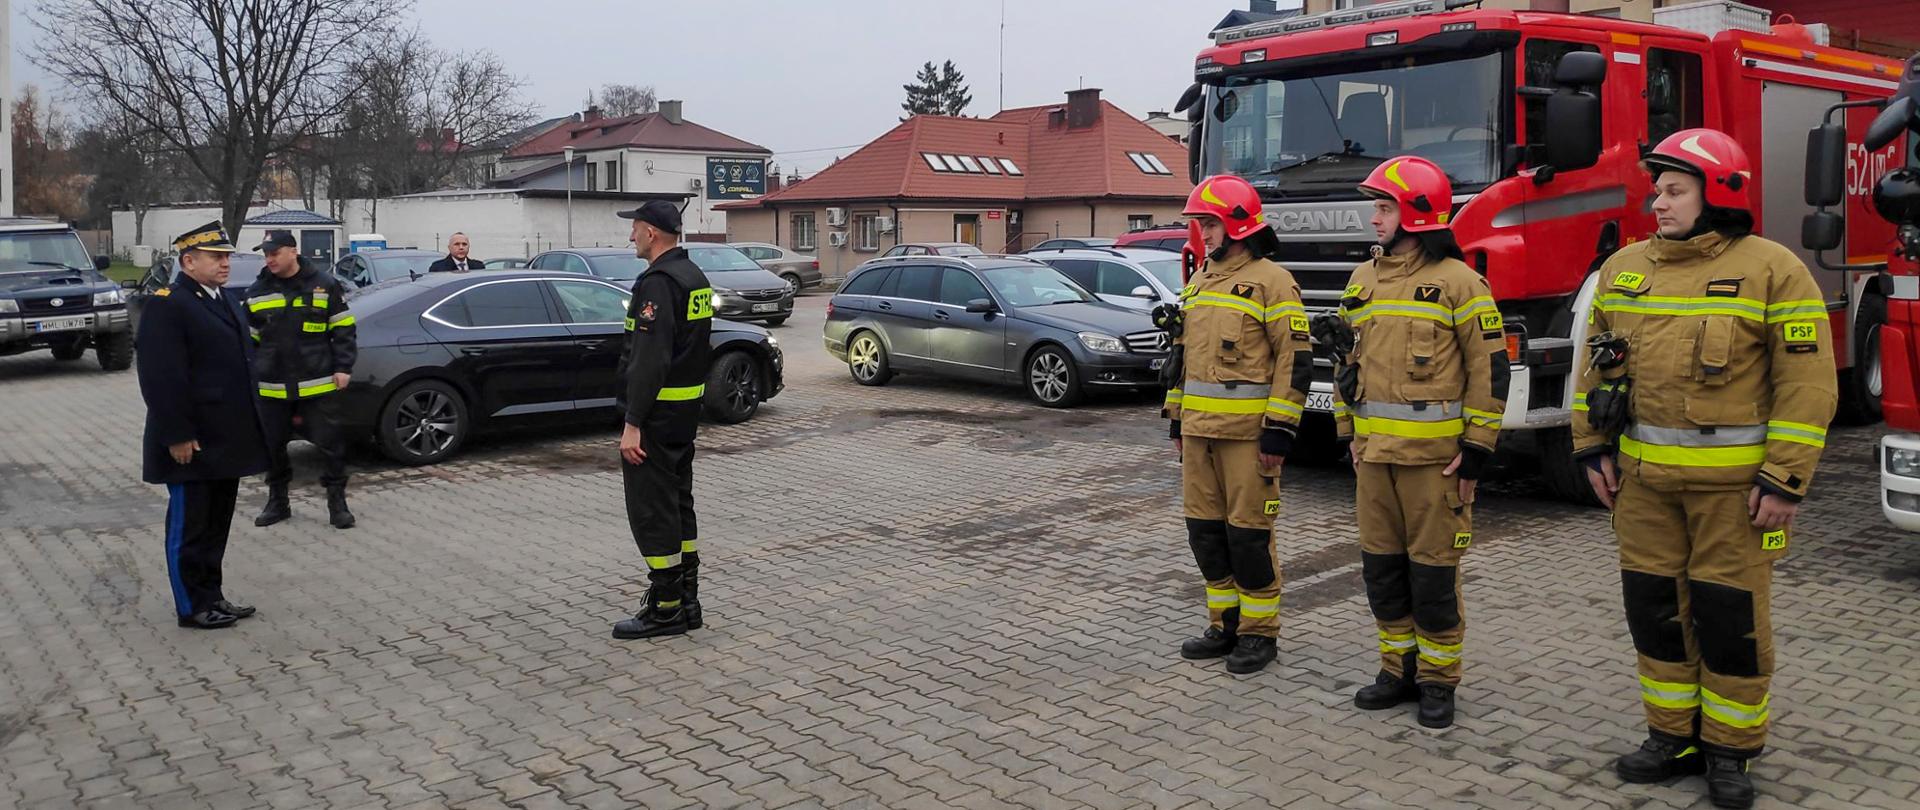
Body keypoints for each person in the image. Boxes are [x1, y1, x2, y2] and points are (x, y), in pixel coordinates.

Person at [1573, 129, 1836, 810]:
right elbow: (1593, 370)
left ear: (1716, 192)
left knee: (1730, 620)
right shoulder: (1626, 268)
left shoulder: (1775, 270)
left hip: (1735, 497)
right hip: (1642, 490)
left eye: (1673, 189)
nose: (1656, 201)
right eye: (1656, 188)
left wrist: (1785, 479)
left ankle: (1731, 751)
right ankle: (1671, 737)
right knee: (1656, 613)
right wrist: (1591, 448)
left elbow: (1807, 387)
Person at [1330, 156, 1507, 729]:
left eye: (1384, 208)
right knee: (1382, 572)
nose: (1374, 218)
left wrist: (1478, 446)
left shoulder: (1461, 282)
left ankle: (1438, 682)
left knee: (1432, 577)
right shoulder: (1363, 279)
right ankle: (1395, 671)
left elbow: (1491, 369)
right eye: (1376, 207)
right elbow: (1345, 362)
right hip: (1375, 459)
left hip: (1436, 464)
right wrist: (1347, 430)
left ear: (1415, 213)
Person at [1160, 175, 1311, 675]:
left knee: (1249, 538)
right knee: (1205, 534)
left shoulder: (1274, 280)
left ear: (1238, 225)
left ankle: (1259, 634)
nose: (1201, 234)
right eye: (1198, 225)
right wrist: (1177, 422)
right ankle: (1223, 624)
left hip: (1248, 439)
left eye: (1208, 224)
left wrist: (1279, 430)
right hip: (1200, 435)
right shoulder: (1201, 278)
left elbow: (1295, 359)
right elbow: (1183, 359)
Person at [135, 221, 271, 629]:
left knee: (216, 525)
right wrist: (177, 433)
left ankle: (213, 596)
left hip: (224, 438)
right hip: (190, 438)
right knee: (190, 527)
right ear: (188, 261)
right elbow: (161, 376)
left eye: (227, 256)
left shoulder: (223, 298)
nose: (225, 263)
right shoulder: (169, 303)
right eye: (216, 257)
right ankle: (191, 605)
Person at [610, 200, 714, 640]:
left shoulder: (657, 283)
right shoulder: (694, 277)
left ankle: (666, 608)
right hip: (684, 414)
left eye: (634, 228)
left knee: (652, 510)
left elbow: (649, 360)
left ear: (652, 233)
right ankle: (688, 601)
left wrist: (633, 422)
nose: (630, 236)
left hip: (655, 418)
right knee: (678, 504)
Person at [246, 232, 358, 529]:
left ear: (293, 251)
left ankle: (337, 503)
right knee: (273, 447)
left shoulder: (324, 284)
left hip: (318, 382)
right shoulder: (256, 291)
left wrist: (344, 367)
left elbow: (343, 329)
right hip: (273, 385)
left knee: (331, 445)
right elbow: (251, 339)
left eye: (274, 252)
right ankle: (278, 502)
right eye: (265, 254)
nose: (269, 259)